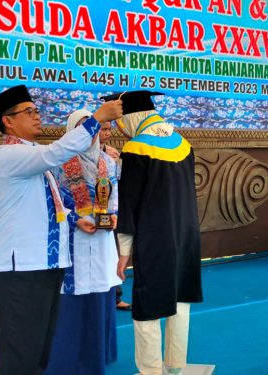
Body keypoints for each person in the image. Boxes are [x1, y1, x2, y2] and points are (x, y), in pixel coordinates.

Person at [0, 85, 122, 374]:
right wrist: (97, 117)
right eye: (28, 112)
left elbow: (53, 204)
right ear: (8, 121)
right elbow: (59, 151)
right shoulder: (11, 155)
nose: (37, 116)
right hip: (20, 267)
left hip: (46, 264)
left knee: (40, 348)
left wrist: (76, 219)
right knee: (21, 349)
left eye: (36, 111)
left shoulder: (34, 153)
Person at [110, 91, 202, 375]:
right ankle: (176, 365)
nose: (119, 129)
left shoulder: (137, 148)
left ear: (130, 118)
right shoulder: (184, 144)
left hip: (154, 237)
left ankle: (151, 370)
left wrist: (124, 254)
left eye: (119, 122)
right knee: (180, 298)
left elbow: (129, 206)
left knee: (148, 304)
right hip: (186, 234)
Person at [45, 110, 122, 375]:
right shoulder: (58, 163)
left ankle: (96, 355)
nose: (90, 135)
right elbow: (53, 204)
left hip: (101, 240)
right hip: (72, 238)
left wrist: (112, 217)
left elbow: (113, 196)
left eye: (93, 128)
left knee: (99, 293)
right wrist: (75, 219)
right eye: (83, 129)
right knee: (71, 297)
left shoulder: (107, 162)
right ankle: (68, 358)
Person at [97, 118, 132, 311]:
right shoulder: (76, 154)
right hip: (87, 214)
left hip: (109, 211)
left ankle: (115, 296)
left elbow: (117, 180)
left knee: (111, 251)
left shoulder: (111, 153)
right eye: (102, 129)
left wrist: (115, 160)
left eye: (109, 129)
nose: (107, 133)